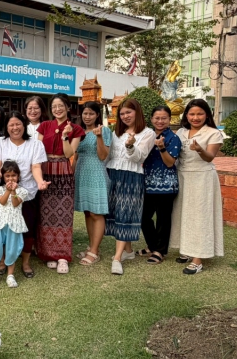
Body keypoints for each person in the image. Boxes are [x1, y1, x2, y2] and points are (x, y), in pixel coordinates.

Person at [0, 111, 48, 277]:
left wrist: (40, 182)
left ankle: (25, 262)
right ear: (6, 127)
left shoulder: (35, 144)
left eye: (18, 124)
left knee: (27, 227)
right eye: (11, 125)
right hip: (4, 192)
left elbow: (35, 167)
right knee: (2, 227)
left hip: (27, 192)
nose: (15, 128)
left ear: (24, 126)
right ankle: (2, 260)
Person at [170, 99, 224, 274]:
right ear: (186, 115)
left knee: (200, 217)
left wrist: (200, 149)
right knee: (183, 214)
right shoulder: (181, 132)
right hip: (182, 176)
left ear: (207, 115)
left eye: (200, 114)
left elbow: (210, 157)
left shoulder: (213, 133)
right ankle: (186, 250)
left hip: (202, 178)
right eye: (192, 114)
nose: (195, 117)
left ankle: (198, 258)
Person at [36, 93, 85, 274]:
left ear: (67, 107)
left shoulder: (75, 129)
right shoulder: (45, 125)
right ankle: (48, 253)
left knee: (64, 214)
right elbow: (37, 149)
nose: (57, 109)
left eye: (60, 106)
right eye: (54, 106)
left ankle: (63, 256)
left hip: (64, 171)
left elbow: (69, 154)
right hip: (45, 170)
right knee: (45, 213)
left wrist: (65, 137)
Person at [106, 98, 155, 275]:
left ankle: (117, 258)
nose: (125, 116)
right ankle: (128, 250)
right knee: (115, 213)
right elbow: (109, 155)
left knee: (125, 214)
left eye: (129, 112)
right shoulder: (116, 132)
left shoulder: (148, 133)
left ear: (137, 112)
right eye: (122, 113)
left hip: (132, 176)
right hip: (112, 173)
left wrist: (130, 146)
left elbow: (139, 158)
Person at [138, 106, 182, 265]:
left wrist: (161, 147)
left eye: (164, 118)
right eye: (157, 118)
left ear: (170, 119)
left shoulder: (173, 138)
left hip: (166, 185)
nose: (160, 121)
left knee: (163, 219)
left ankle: (160, 251)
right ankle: (152, 246)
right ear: (151, 119)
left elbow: (170, 163)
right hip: (146, 183)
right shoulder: (147, 135)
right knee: (143, 217)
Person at [74, 101, 111, 266]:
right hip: (81, 173)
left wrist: (99, 137)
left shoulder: (104, 131)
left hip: (97, 173)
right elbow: (75, 156)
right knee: (88, 212)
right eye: (85, 113)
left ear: (97, 115)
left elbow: (103, 156)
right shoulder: (79, 131)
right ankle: (91, 247)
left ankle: (94, 252)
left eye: (91, 113)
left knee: (97, 213)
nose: (87, 116)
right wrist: (71, 174)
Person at [0, 161, 30, 288]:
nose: (11, 178)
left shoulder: (22, 191)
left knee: (12, 249)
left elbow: (15, 204)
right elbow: (3, 202)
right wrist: (8, 191)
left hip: (14, 224)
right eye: (7, 176)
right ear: (3, 177)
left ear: (18, 176)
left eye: (13, 175)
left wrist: (13, 192)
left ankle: (10, 275)